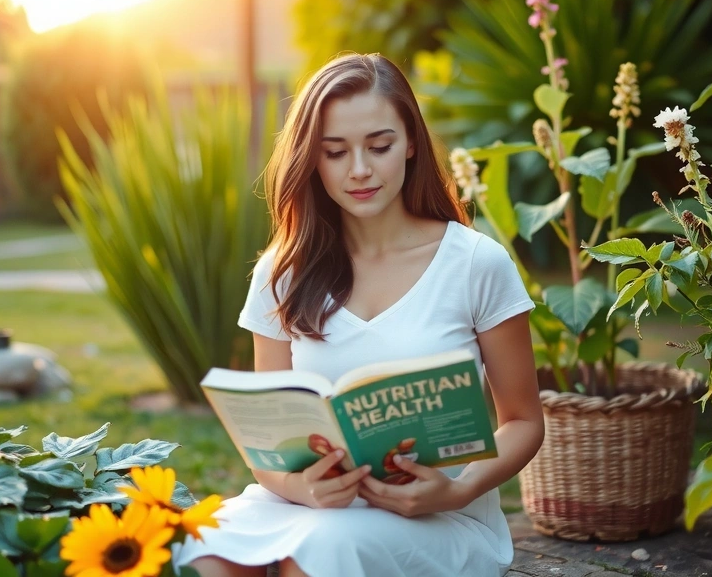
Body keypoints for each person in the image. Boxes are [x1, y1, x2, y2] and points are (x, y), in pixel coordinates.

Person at [173, 53, 544, 577]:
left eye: (379, 146)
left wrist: (457, 488)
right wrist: (299, 485)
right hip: (307, 508)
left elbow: (524, 422)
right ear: (312, 159)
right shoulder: (282, 273)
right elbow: (268, 448)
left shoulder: (475, 264)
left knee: (320, 552)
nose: (360, 170)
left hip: (441, 518)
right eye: (335, 152)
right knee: (204, 549)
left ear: (411, 142)